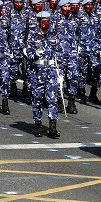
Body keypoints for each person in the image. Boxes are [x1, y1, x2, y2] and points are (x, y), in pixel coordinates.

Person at [25, 11, 61, 139]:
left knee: (53, 99)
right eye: (43, 21)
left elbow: (59, 55)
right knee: (37, 99)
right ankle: (38, 125)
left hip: (51, 70)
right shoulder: (33, 37)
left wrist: (60, 73)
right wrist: (36, 53)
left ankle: (52, 127)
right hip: (37, 71)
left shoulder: (54, 36)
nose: (46, 23)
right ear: (39, 22)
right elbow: (29, 56)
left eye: (48, 21)